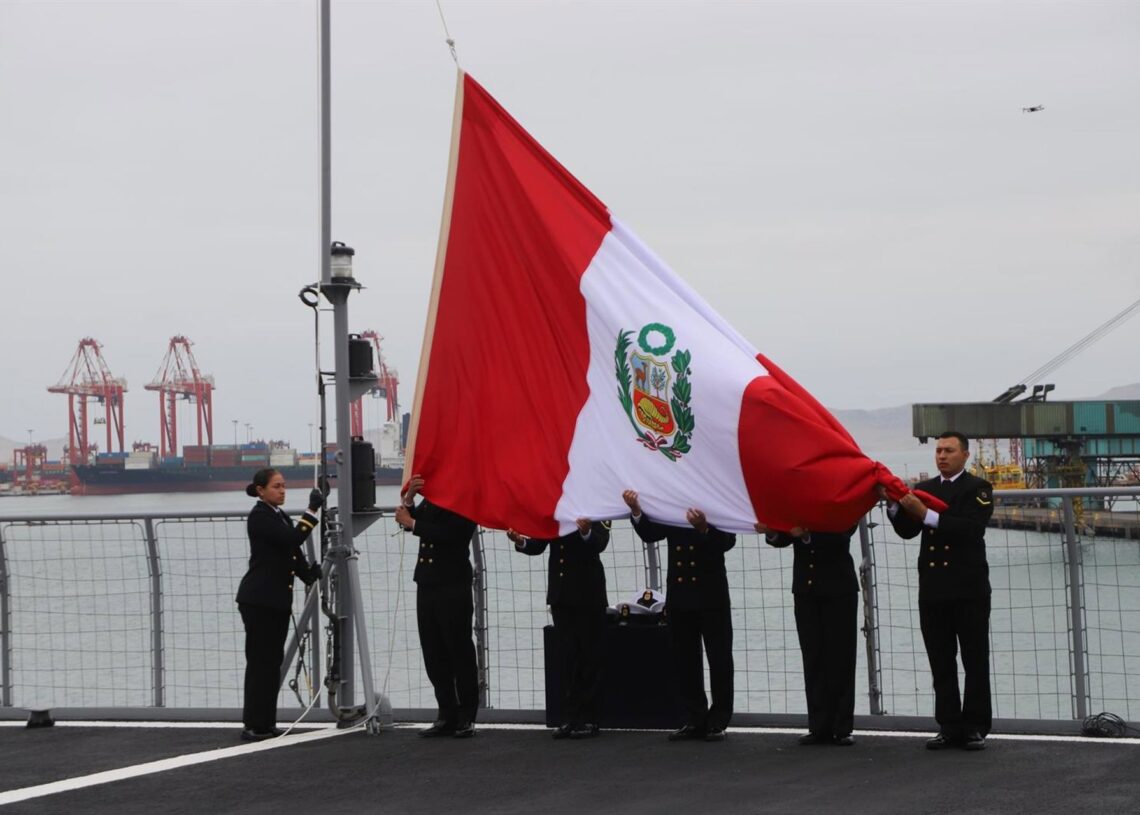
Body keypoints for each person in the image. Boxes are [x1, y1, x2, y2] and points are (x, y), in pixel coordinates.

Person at [883, 431, 995, 751]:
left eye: (949, 450)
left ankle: (975, 726)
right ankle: (948, 725)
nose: (942, 456)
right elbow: (908, 530)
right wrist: (895, 508)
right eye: (938, 451)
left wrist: (927, 515)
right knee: (940, 660)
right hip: (933, 590)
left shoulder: (978, 488)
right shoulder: (925, 489)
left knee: (974, 660)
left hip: (968, 589)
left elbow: (970, 530)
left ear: (965, 455)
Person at [623, 489, 736, 742]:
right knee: (685, 658)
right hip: (681, 593)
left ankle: (718, 720)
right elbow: (652, 533)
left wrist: (704, 528)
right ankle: (694, 718)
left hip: (711, 594)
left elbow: (727, 541)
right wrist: (636, 511)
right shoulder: (671, 499)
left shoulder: (717, 494)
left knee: (719, 658)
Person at [235, 468, 323, 742]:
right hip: (259, 600)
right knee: (260, 663)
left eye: (284, 486)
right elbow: (291, 539)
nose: (282, 491)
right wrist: (312, 510)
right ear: (260, 490)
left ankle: (266, 722)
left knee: (272, 663)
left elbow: (291, 553)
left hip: (275, 601)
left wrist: (308, 572)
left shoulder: (278, 515)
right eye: (276, 486)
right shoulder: (260, 516)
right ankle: (253, 724)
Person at [508, 518, 611, 739]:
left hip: (588, 594)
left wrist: (585, 532)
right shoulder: (555, 510)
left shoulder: (596, 508)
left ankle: (589, 718)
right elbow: (540, 543)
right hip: (561, 594)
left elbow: (600, 543)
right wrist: (521, 541)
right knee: (568, 657)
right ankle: (570, 717)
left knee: (589, 657)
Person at [759, 522, 859, 746]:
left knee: (841, 657)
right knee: (812, 656)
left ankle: (842, 726)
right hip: (806, 587)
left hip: (838, 587)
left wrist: (807, 536)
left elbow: (843, 531)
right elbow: (783, 537)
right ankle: (818, 725)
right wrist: (772, 531)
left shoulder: (842, 499)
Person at [395, 474, 480, 738]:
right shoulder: (433, 500)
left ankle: (467, 715)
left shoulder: (465, 499)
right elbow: (409, 521)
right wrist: (409, 499)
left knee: (459, 649)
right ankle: (447, 712)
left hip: (453, 583)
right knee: (433, 651)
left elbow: (453, 535)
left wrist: (413, 522)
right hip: (428, 582)